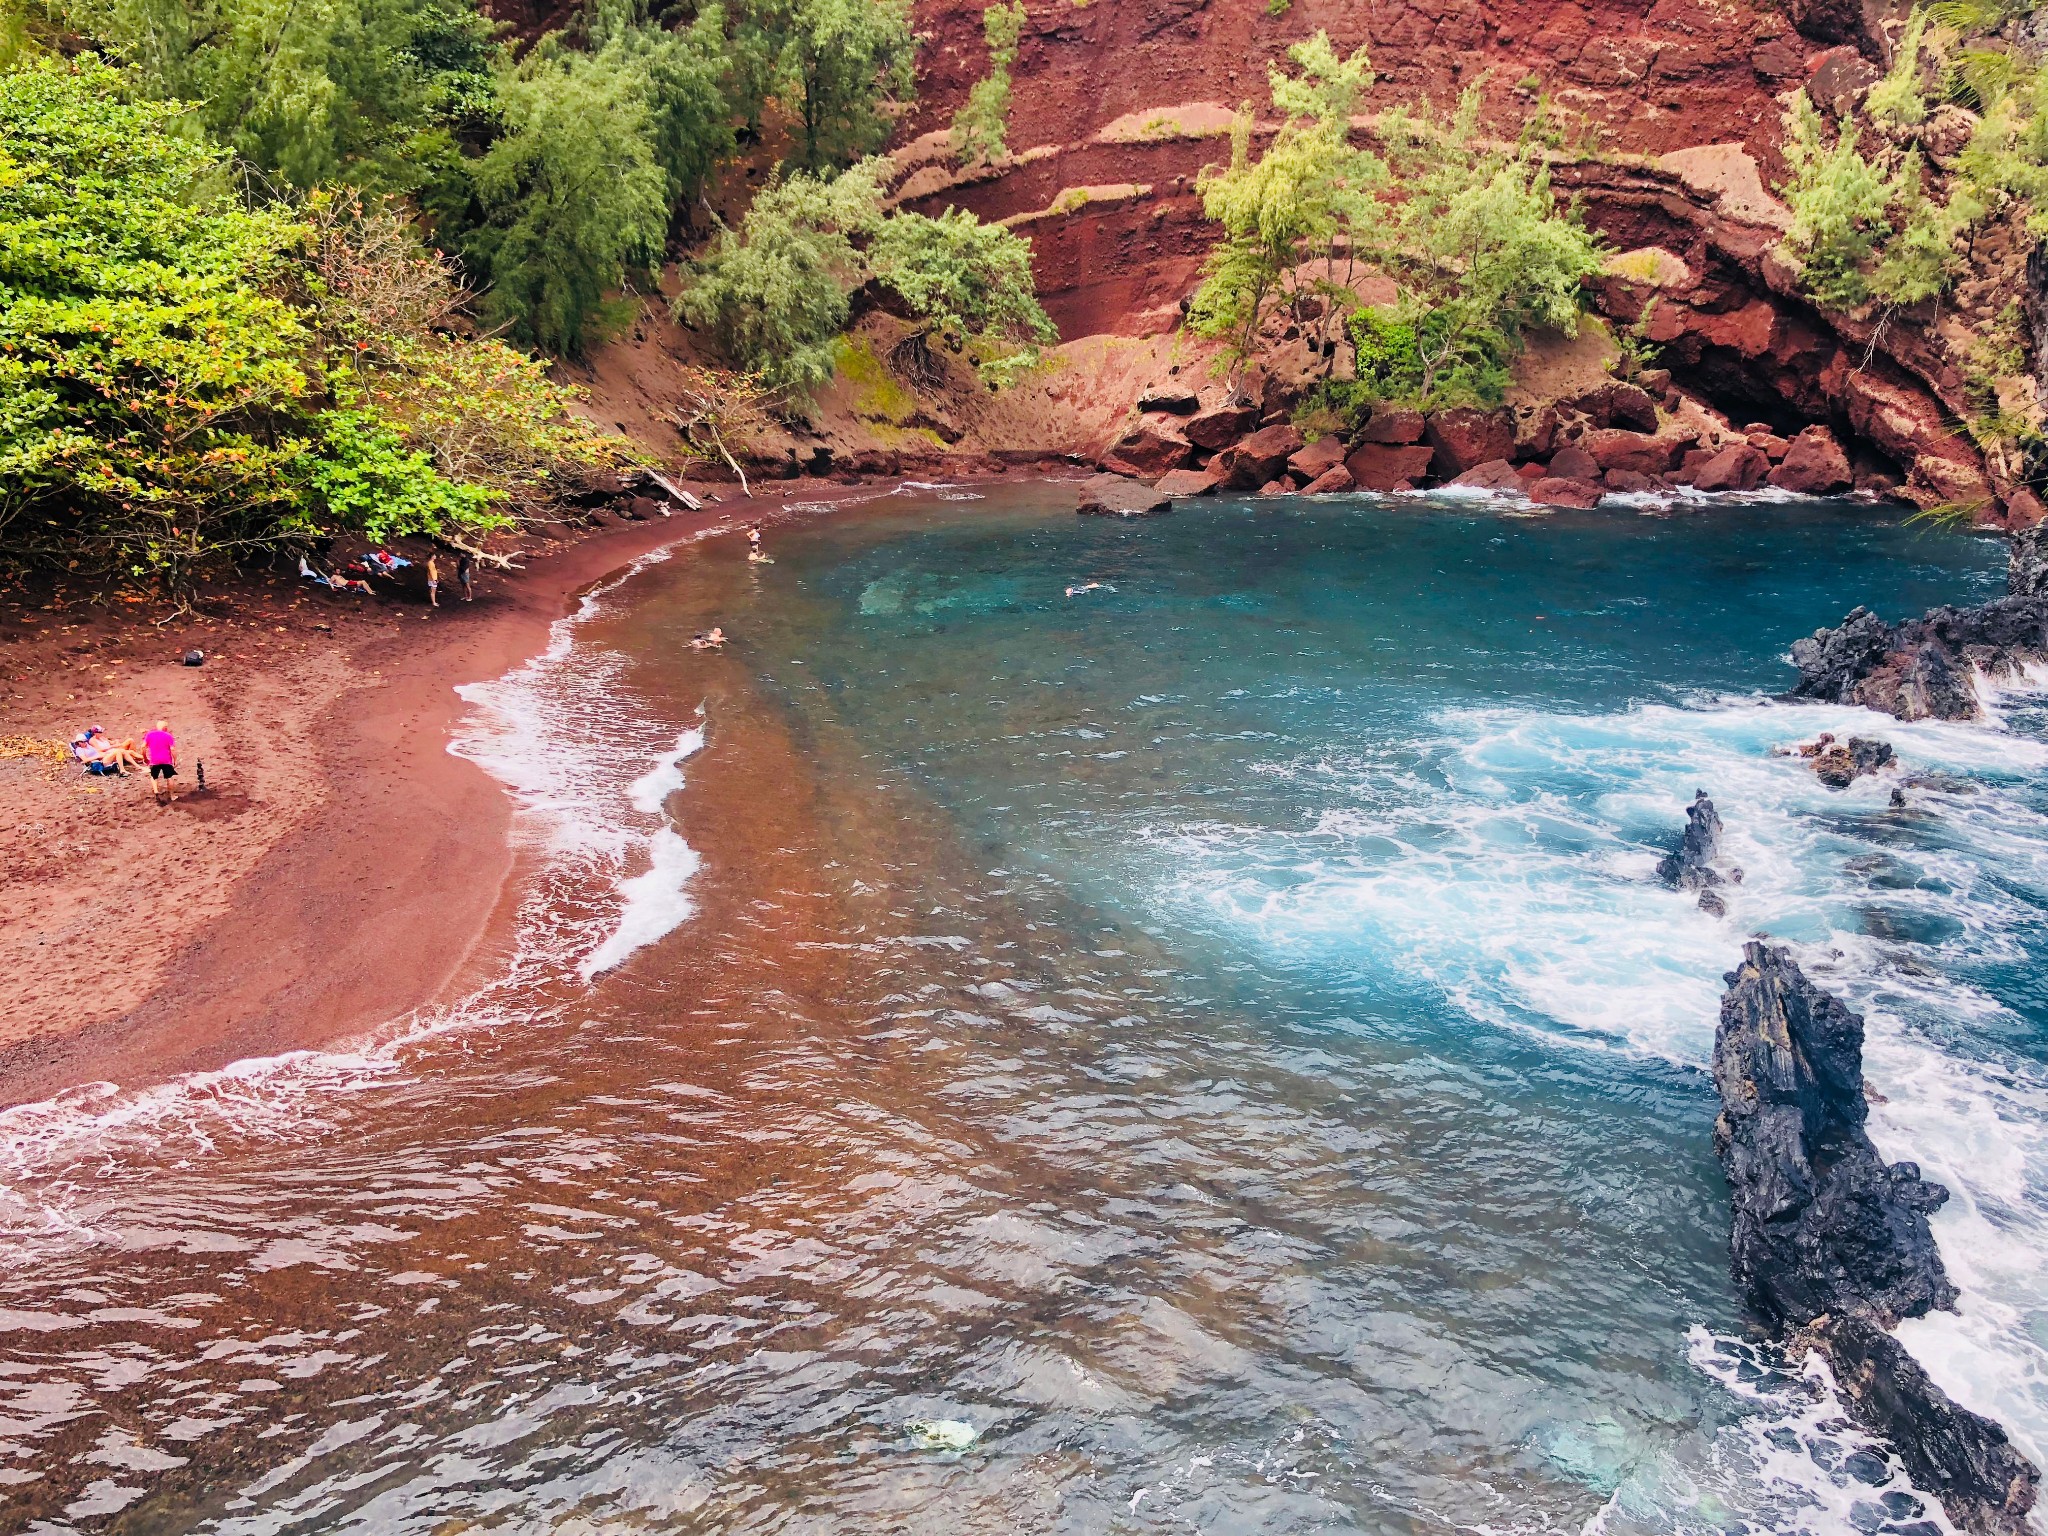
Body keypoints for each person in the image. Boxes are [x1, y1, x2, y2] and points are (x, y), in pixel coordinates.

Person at [143, 719, 177, 802]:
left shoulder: (149, 734)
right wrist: (175, 760)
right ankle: (172, 796)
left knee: (154, 776)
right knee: (169, 777)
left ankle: (156, 791)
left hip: (154, 760)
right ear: (165, 728)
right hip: (166, 760)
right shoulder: (168, 736)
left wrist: (144, 757)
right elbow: (172, 749)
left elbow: (143, 747)